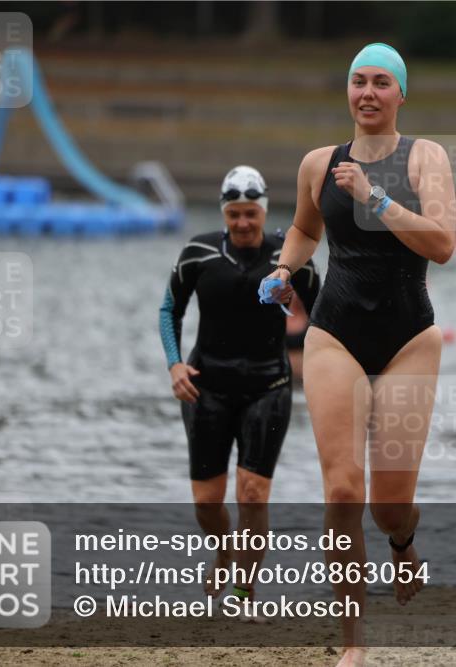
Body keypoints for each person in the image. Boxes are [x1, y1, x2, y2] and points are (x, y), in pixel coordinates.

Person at [259, 43, 456, 666]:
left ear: (401, 94)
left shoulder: (426, 157)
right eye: (357, 82)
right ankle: (352, 646)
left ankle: (403, 542)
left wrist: (375, 198)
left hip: (408, 339)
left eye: (380, 83)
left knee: (387, 503)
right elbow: (305, 228)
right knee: (342, 492)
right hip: (334, 333)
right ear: (347, 91)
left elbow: (444, 243)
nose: (367, 93)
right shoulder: (320, 162)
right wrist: (284, 267)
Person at [158, 165, 320, 609]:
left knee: (252, 496)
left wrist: (294, 303)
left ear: (263, 212)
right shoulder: (198, 252)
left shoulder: (289, 256)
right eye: (235, 214)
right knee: (208, 504)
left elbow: (324, 313)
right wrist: (174, 365)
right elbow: (169, 309)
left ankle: (244, 592)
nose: (244, 223)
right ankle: (225, 550)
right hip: (206, 387)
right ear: (225, 214)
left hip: (268, 385)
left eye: (252, 213)